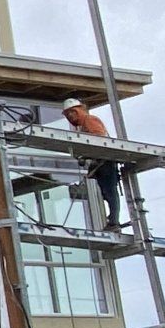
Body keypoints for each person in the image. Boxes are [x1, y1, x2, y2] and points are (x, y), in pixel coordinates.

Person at [62, 97, 125, 232]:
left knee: (109, 192)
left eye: (72, 112)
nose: (70, 116)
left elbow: (99, 140)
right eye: (68, 115)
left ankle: (114, 221)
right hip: (101, 161)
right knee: (105, 192)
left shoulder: (90, 120)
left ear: (79, 110)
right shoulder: (82, 126)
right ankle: (113, 221)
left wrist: (86, 155)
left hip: (105, 161)